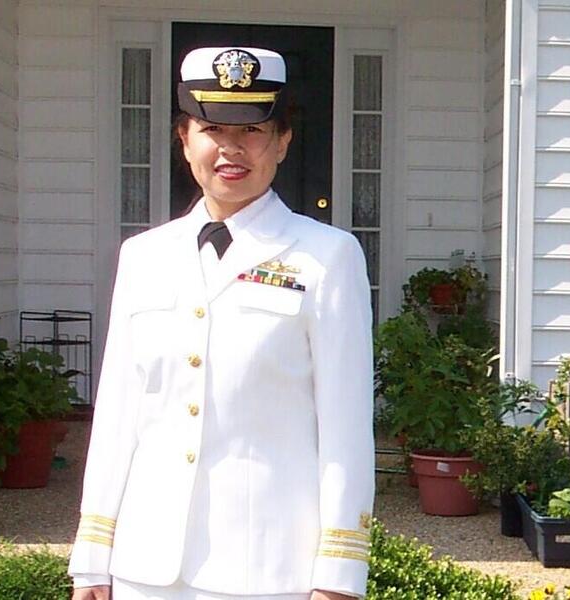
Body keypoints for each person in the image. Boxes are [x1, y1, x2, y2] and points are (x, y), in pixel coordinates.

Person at [68, 46, 375, 600]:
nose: (231, 148)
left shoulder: (326, 257)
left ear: (283, 141)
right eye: (211, 127)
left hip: (267, 570)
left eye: (254, 129)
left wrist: (339, 574)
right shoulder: (144, 256)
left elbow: (346, 426)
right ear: (184, 139)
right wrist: (93, 557)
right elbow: (117, 413)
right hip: (146, 568)